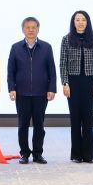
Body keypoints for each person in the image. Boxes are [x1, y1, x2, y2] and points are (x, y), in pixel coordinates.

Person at [7, 17, 57, 164]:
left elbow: (52, 70)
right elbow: (11, 71)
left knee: (39, 126)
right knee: (23, 126)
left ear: (38, 29)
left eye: (34, 27)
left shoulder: (46, 47)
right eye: (28, 27)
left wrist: (52, 89)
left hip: (41, 93)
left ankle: (37, 154)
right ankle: (24, 154)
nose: (31, 30)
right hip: (21, 93)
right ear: (23, 29)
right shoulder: (15, 48)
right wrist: (11, 88)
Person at [60, 10, 93, 163]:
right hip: (73, 83)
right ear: (73, 22)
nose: (80, 22)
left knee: (88, 119)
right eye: (77, 19)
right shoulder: (66, 39)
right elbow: (62, 63)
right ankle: (76, 154)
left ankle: (88, 154)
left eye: (83, 19)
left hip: (89, 83)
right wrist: (65, 83)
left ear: (87, 22)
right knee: (75, 119)